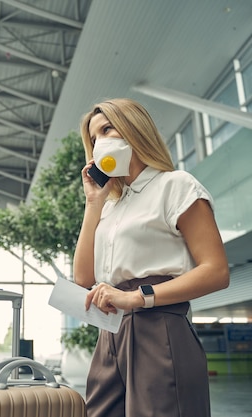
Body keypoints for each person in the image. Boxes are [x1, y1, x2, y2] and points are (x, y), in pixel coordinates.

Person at [72, 98, 230, 417]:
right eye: (93, 139)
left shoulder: (175, 186)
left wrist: (137, 298)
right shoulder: (110, 206)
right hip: (111, 331)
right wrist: (93, 203)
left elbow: (216, 271)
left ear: (134, 128)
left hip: (159, 326)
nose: (100, 142)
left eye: (107, 129)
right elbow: (84, 279)